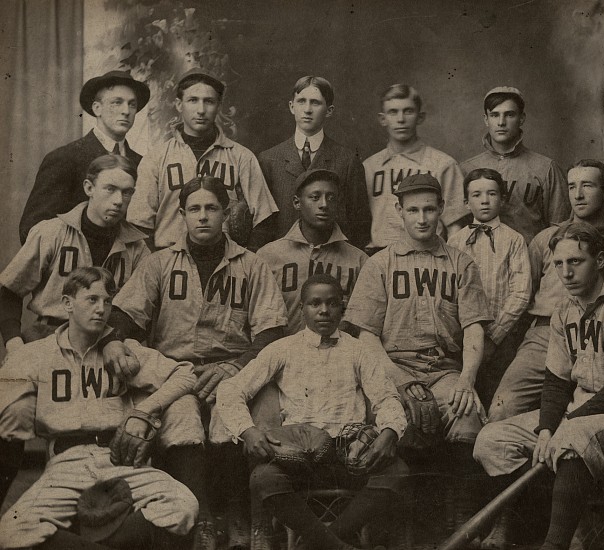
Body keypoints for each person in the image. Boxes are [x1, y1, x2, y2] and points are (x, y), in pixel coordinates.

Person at [105, 175, 288, 550]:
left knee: (228, 413)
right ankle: (202, 515)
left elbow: (271, 332)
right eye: (194, 209)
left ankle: (237, 513)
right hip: (177, 372)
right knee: (185, 415)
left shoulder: (251, 264)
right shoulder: (159, 263)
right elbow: (123, 319)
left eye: (211, 208)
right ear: (182, 215)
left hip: (232, 368)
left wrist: (234, 366)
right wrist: (112, 344)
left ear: (226, 214)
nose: (203, 217)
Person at [474, 221, 604, 550]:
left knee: (572, 438)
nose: (566, 273)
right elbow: (557, 381)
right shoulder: (564, 310)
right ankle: (577, 518)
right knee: (492, 439)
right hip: (578, 414)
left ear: (600, 260)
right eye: (559, 264)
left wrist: (566, 426)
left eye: (575, 261)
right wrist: (547, 429)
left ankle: (555, 543)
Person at [0, 267, 198, 550]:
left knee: (184, 507)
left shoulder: (122, 349)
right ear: (67, 304)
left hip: (119, 457)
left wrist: (143, 412)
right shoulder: (36, 355)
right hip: (66, 462)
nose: (101, 309)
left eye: (107, 302)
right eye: (91, 300)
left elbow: (185, 373)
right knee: (12, 531)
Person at [215, 273, 408, 550]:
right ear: (302, 308)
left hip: (346, 455)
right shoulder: (282, 349)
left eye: (332, 303)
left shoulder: (359, 351)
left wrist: (390, 431)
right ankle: (337, 546)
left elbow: (386, 397)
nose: (324, 311)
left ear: (342, 307)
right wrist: (248, 432)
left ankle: (315, 545)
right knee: (263, 478)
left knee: (398, 472)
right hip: (299, 459)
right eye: (315, 303)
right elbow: (231, 389)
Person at [0, 155, 150, 507]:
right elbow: (8, 292)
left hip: (104, 345)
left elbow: (135, 309)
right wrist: (14, 341)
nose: (118, 201)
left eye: (127, 193)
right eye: (110, 189)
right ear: (88, 188)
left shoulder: (137, 247)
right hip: (46, 340)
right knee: (13, 414)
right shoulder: (51, 231)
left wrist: (114, 341)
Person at [487, 159, 604, 424]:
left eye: (587, 186)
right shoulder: (546, 240)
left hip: (600, 341)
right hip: (545, 334)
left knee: (591, 417)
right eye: (572, 187)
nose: (578, 194)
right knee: (503, 410)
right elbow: (523, 294)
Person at [344, 173, 492, 455]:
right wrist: (400, 381)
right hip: (391, 371)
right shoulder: (379, 264)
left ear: (442, 208)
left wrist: (466, 379)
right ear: (400, 211)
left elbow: (474, 327)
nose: (422, 218)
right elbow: (366, 335)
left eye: (429, 209)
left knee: (468, 417)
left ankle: (456, 499)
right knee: (383, 431)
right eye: (413, 210)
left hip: (444, 372)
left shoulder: (462, 263)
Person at [127, 68, 278, 251]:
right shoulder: (156, 157)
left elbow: (264, 219)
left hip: (225, 261)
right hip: (169, 259)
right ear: (179, 104)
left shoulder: (241, 157)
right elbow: (139, 224)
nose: (201, 110)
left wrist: (244, 261)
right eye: (192, 100)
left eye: (209, 101)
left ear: (219, 106)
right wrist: (156, 265)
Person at [20, 71, 149, 243]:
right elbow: (33, 228)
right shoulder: (66, 158)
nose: (126, 111)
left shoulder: (143, 164)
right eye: (117, 102)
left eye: (132, 105)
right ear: (97, 108)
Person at [447, 168, 531, 408]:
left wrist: (493, 335)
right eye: (476, 195)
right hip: (463, 338)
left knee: (496, 396)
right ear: (466, 202)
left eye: (492, 194)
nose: (484, 201)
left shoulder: (514, 240)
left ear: (503, 199)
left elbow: (521, 293)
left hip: (501, 338)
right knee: (464, 398)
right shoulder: (455, 241)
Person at [258, 76, 371, 248]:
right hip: (282, 262)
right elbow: (262, 224)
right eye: (301, 101)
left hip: (332, 260)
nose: (307, 109)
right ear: (291, 106)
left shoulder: (347, 161)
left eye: (316, 103)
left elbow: (359, 223)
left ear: (329, 110)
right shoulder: (269, 160)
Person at [257, 168, 368, 335]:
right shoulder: (268, 256)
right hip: (283, 355)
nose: (324, 204)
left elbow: (364, 321)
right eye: (315, 197)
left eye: (331, 198)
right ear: (297, 202)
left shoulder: (359, 260)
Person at [363, 84, 466, 254]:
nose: (401, 119)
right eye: (393, 112)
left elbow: (455, 227)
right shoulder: (369, 167)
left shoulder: (443, 164)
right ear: (383, 119)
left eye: (408, 111)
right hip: (379, 256)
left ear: (420, 117)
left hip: (428, 255)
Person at [460, 86, 570, 244]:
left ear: (522, 118)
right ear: (486, 119)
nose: (501, 122)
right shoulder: (466, 169)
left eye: (509, 114)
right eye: (494, 115)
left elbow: (560, 227)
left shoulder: (546, 169)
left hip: (530, 260)